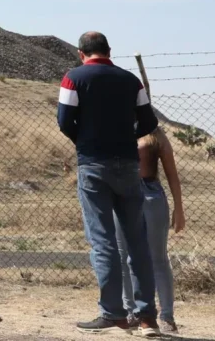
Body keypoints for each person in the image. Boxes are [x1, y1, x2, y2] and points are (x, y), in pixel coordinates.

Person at [58, 31, 161, 337]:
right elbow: (149, 122)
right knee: (137, 241)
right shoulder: (131, 81)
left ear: (81, 53)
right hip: (128, 165)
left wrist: (86, 141)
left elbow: (64, 120)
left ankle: (113, 313)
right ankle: (146, 318)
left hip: (93, 165)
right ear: (109, 51)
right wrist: (128, 137)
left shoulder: (73, 78)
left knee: (102, 241)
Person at [116, 127, 186, 333]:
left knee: (157, 258)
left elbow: (172, 174)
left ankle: (167, 317)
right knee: (124, 256)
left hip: (151, 195)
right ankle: (132, 312)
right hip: (123, 193)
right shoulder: (116, 124)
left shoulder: (155, 134)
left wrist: (179, 209)